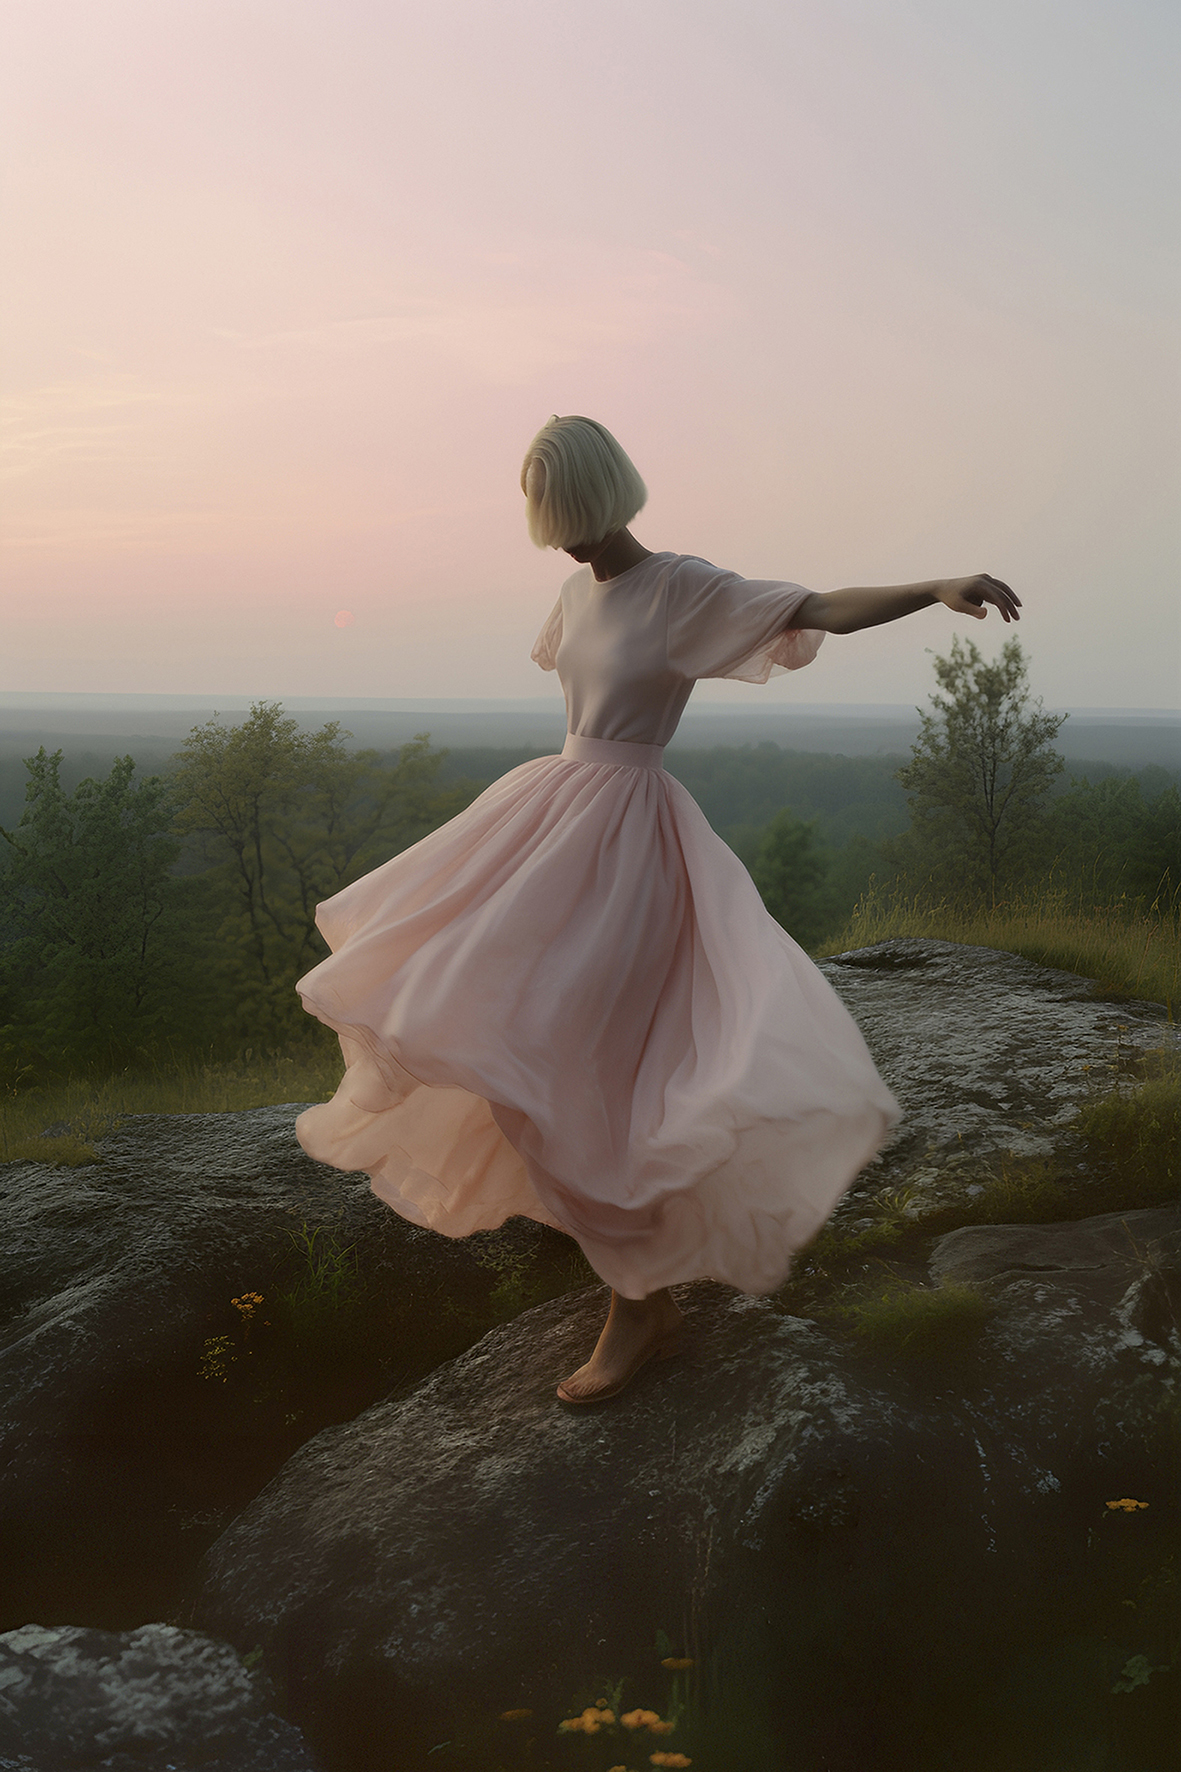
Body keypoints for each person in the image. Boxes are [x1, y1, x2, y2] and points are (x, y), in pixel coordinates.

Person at [294, 415, 1021, 1404]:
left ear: (611, 496)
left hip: (630, 846)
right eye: (552, 524)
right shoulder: (569, 592)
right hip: (548, 827)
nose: (566, 542)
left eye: (576, 519)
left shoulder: (678, 587)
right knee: (500, 1034)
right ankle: (639, 1292)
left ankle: (636, 1306)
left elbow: (814, 605)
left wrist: (931, 586)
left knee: (608, 1075)